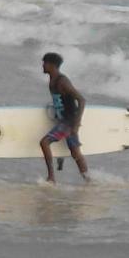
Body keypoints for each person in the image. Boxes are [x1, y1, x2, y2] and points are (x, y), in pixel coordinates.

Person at [40, 52, 89, 184]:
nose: (42, 66)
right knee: (75, 152)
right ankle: (88, 179)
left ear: (51, 65)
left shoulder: (62, 81)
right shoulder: (53, 79)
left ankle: (51, 177)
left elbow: (81, 100)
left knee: (44, 142)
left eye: (44, 63)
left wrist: (76, 124)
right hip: (64, 120)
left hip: (69, 121)